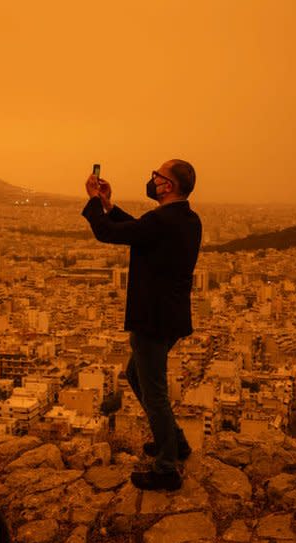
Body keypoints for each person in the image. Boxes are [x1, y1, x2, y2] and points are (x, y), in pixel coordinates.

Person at [82, 160, 202, 491]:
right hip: (172, 317)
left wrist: (94, 200)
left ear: (169, 186)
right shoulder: (188, 219)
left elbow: (108, 233)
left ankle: (166, 467)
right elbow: (140, 231)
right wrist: (110, 205)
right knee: (136, 375)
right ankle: (173, 442)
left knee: (155, 391)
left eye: (157, 176)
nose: (152, 180)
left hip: (152, 318)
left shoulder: (161, 220)